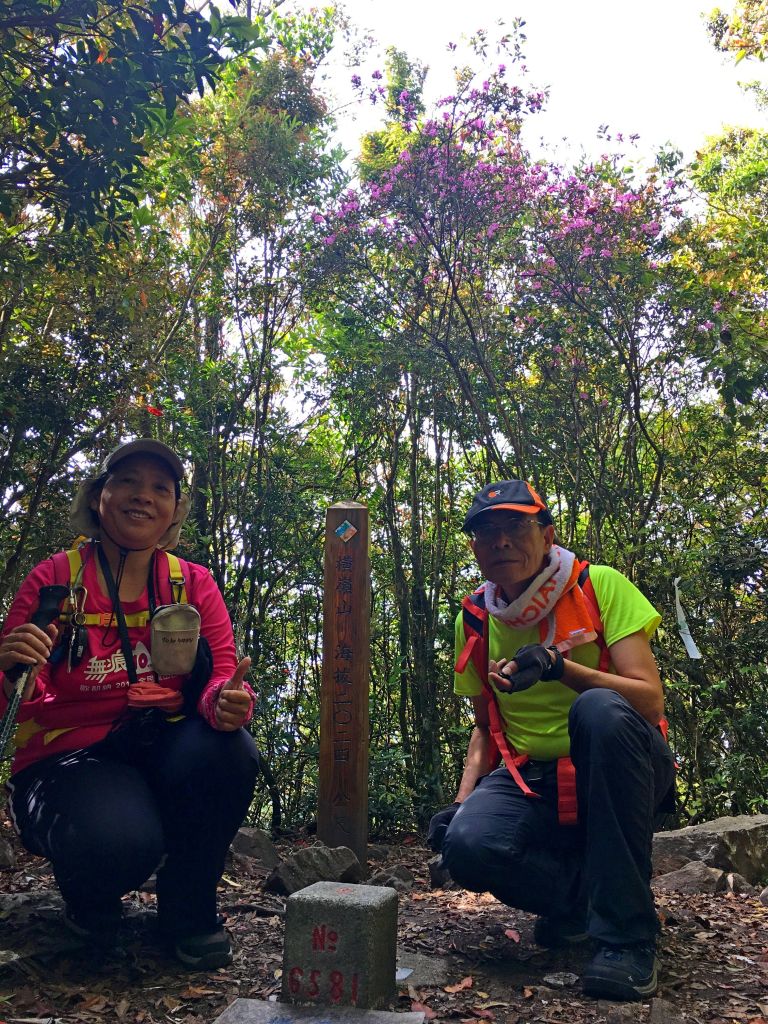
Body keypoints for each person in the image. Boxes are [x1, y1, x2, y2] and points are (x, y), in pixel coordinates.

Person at [0, 439, 260, 969]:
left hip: (159, 743)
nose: (143, 497)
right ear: (100, 495)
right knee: (119, 841)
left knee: (230, 752)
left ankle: (188, 914)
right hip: (66, 759)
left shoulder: (193, 584)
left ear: (173, 511)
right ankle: (89, 899)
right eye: (128, 482)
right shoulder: (54, 580)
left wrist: (227, 701)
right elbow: (15, 697)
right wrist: (9, 672)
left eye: (160, 488)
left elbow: (220, 681)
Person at [428, 480, 675, 1001]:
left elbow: (649, 702)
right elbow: (483, 726)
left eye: (516, 526)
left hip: (622, 765)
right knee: (469, 846)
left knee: (599, 710)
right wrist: (461, 802)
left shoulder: (598, 586)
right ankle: (585, 903)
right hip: (533, 776)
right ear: (474, 548)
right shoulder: (475, 618)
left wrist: (560, 668)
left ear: (546, 535)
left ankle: (628, 938)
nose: (500, 542)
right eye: (486, 532)